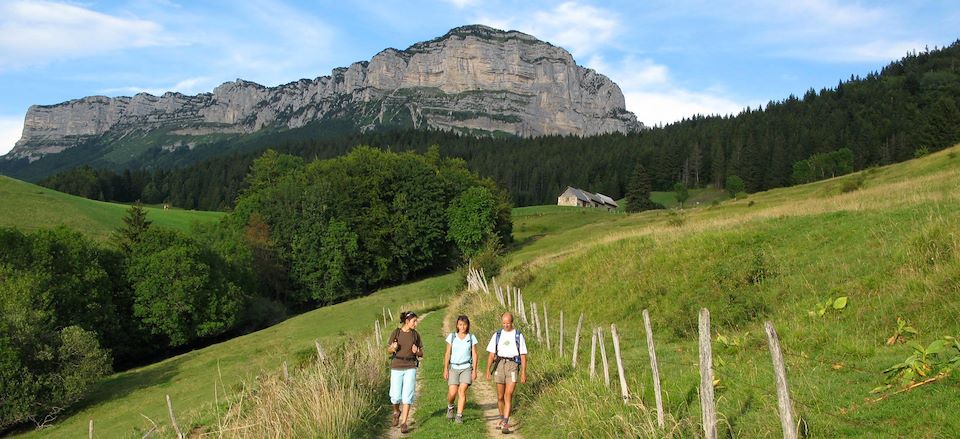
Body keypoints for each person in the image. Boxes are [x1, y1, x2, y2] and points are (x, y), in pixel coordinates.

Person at [485, 312, 527, 435]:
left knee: (508, 394)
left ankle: (506, 422)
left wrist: (523, 372)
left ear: (512, 322)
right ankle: (502, 417)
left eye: (508, 323)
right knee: (500, 396)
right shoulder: (497, 335)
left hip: (513, 365)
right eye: (504, 323)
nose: (506, 325)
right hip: (499, 365)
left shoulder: (518, 335)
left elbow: (523, 355)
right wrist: (488, 369)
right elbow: (491, 354)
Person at [387, 311, 423, 434]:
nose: (416, 323)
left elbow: (421, 353)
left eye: (416, 321)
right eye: (414, 321)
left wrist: (416, 351)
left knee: (407, 396)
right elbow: (388, 350)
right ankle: (396, 411)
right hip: (396, 366)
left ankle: (404, 423)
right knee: (395, 396)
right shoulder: (396, 333)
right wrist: (393, 348)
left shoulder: (415, 335)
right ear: (407, 322)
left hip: (410, 367)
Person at [443, 315, 479, 424]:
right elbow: (447, 353)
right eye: (460, 325)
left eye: (464, 325)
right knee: (452, 393)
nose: (462, 327)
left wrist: (474, 370)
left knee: (462, 391)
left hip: (466, 368)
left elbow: (474, 354)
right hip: (453, 367)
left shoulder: (471, 337)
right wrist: (445, 369)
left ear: (467, 325)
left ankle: (459, 416)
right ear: (457, 325)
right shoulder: (452, 336)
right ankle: (450, 406)